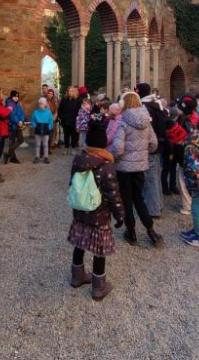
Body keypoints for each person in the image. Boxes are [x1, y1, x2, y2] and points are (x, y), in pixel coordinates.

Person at [67, 115, 124, 301]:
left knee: (79, 243)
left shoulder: (78, 160)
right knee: (99, 249)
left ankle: (77, 276)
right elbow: (113, 194)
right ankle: (99, 287)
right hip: (99, 214)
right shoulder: (106, 166)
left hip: (80, 210)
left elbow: (71, 184)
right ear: (103, 144)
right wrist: (120, 215)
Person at [110, 92, 163, 248]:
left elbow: (118, 148)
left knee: (126, 200)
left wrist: (115, 159)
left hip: (124, 169)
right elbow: (153, 143)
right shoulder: (146, 121)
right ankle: (151, 231)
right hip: (140, 167)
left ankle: (131, 232)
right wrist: (143, 154)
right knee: (139, 198)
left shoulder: (124, 122)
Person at [135, 83, 167, 218]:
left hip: (151, 146)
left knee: (150, 179)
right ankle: (158, 204)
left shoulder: (146, 107)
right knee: (155, 177)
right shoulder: (156, 105)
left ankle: (153, 210)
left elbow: (147, 128)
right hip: (159, 144)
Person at [3, 90, 26, 164]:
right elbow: (11, 114)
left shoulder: (18, 104)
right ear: (11, 96)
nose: (16, 98)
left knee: (21, 139)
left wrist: (21, 121)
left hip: (18, 125)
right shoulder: (9, 104)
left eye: (17, 97)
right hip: (12, 126)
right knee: (12, 142)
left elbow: (22, 113)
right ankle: (13, 157)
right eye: (14, 96)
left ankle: (8, 154)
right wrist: (17, 121)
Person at [58, 86, 81, 154]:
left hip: (74, 121)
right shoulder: (64, 100)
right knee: (66, 135)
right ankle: (66, 148)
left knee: (74, 135)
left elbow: (79, 111)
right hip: (65, 121)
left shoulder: (77, 101)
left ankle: (73, 148)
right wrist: (62, 117)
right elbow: (60, 110)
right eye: (69, 91)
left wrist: (77, 119)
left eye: (71, 91)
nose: (70, 92)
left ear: (74, 92)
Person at [31, 97, 54, 163]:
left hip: (46, 130)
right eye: (39, 104)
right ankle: (37, 157)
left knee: (45, 144)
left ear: (45, 104)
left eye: (42, 104)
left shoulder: (48, 112)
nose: (40, 105)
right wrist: (35, 126)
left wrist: (49, 128)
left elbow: (51, 120)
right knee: (38, 144)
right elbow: (32, 120)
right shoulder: (35, 112)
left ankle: (46, 157)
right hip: (38, 130)